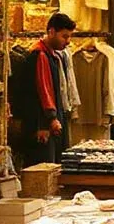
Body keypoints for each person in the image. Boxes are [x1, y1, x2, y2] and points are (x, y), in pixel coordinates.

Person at [21, 13, 75, 165]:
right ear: (51, 32)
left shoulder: (51, 55)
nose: (68, 42)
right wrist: (49, 120)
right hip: (41, 126)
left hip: (47, 123)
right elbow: (42, 90)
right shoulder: (40, 55)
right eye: (64, 36)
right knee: (43, 168)